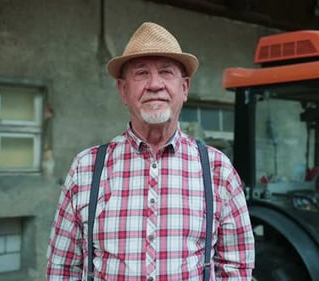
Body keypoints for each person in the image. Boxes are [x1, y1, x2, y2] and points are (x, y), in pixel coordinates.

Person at [46, 22, 255, 281]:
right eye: (141, 73)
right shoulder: (86, 168)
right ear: (124, 90)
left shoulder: (217, 169)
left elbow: (236, 267)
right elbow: (62, 269)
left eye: (166, 72)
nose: (155, 84)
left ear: (185, 88)